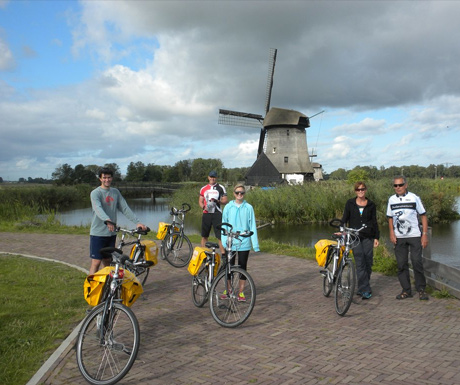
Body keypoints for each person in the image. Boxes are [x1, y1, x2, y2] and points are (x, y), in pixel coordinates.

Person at [89, 167, 147, 275]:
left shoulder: (115, 192)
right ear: (100, 179)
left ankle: (106, 287)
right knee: (96, 262)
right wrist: (108, 220)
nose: (107, 180)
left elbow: (124, 208)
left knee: (107, 261)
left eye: (109, 177)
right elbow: (98, 208)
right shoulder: (95, 193)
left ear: (112, 178)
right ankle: (89, 289)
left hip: (111, 233)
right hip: (98, 233)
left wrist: (137, 222)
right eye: (104, 178)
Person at [386, 176, 429, 300]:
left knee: (416, 262)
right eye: (395, 185)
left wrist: (424, 234)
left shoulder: (414, 198)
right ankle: (406, 290)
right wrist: (391, 233)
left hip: (415, 235)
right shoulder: (392, 200)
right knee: (401, 264)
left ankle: (421, 289)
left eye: (400, 185)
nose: (398, 187)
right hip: (399, 237)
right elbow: (390, 217)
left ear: (406, 185)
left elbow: (423, 216)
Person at [221, 184, 260, 302]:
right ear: (234, 193)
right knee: (229, 266)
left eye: (242, 193)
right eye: (237, 192)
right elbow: (224, 224)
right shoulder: (228, 207)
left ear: (244, 194)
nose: (239, 195)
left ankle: (241, 292)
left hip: (244, 241)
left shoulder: (249, 207)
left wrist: (255, 244)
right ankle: (228, 289)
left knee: (243, 266)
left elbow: (252, 225)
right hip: (230, 241)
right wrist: (224, 241)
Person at [341, 181, 380, 300]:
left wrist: (376, 237)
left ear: (366, 190)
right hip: (355, 237)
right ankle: (366, 290)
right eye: (358, 190)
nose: (361, 191)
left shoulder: (371, 205)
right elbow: (344, 219)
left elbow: (374, 222)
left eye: (362, 189)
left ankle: (362, 287)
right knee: (360, 261)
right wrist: (342, 231)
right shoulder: (350, 203)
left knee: (368, 261)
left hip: (368, 236)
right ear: (355, 191)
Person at [199, 170, 228, 252]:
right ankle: (204, 254)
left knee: (220, 236)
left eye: (214, 177)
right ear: (208, 177)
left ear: (216, 178)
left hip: (217, 214)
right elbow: (200, 201)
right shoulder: (203, 188)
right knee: (204, 235)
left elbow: (225, 201)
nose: (212, 178)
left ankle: (223, 255)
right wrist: (203, 207)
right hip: (206, 213)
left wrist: (218, 201)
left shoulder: (221, 188)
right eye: (211, 177)